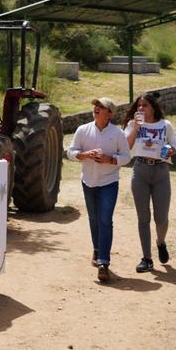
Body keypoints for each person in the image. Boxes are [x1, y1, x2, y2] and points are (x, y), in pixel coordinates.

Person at [66, 97, 131, 282]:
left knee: (105, 220)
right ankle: (97, 249)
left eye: (101, 107)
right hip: (88, 181)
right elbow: (70, 151)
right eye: (96, 106)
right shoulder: (83, 130)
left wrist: (110, 159)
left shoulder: (117, 133)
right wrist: (84, 154)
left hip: (109, 182)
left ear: (110, 113)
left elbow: (127, 156)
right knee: (94, 219)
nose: (96, 108)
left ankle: (103, 262)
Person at [123, 94, 176, 273]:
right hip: (140, 170)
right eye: (138, 106)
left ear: (153, 107)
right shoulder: (133, 125)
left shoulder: (165, 125)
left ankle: (160, 242)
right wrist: (136, 128)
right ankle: (147, 258)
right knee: (143, 218)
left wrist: (167, 151)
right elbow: (125, 146)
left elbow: (174, 147)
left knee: (161, 218)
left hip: (161, 171)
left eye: (145, 105)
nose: (141, 108)